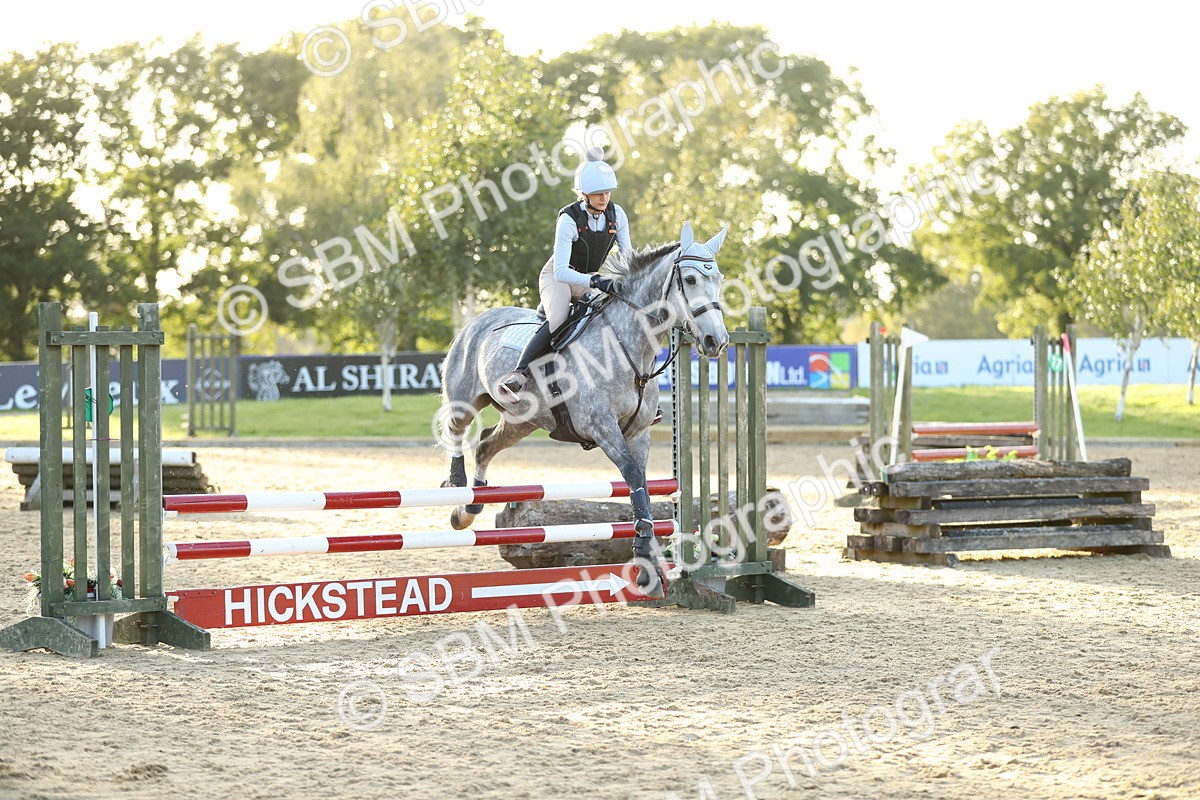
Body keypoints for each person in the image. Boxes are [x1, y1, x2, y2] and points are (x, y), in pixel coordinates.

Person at [497, 148, 632, 401]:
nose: (604, 198)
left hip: (589, 278)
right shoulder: (569, 219)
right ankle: (519, 373)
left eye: (607, 192)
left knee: (611, 315)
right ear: (584, 194)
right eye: (597, 194)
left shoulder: (617, 215)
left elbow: (628, 258)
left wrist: (629, 281)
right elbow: (561, 270)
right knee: (559, 318)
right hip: (558, 277)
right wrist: (596, 280)